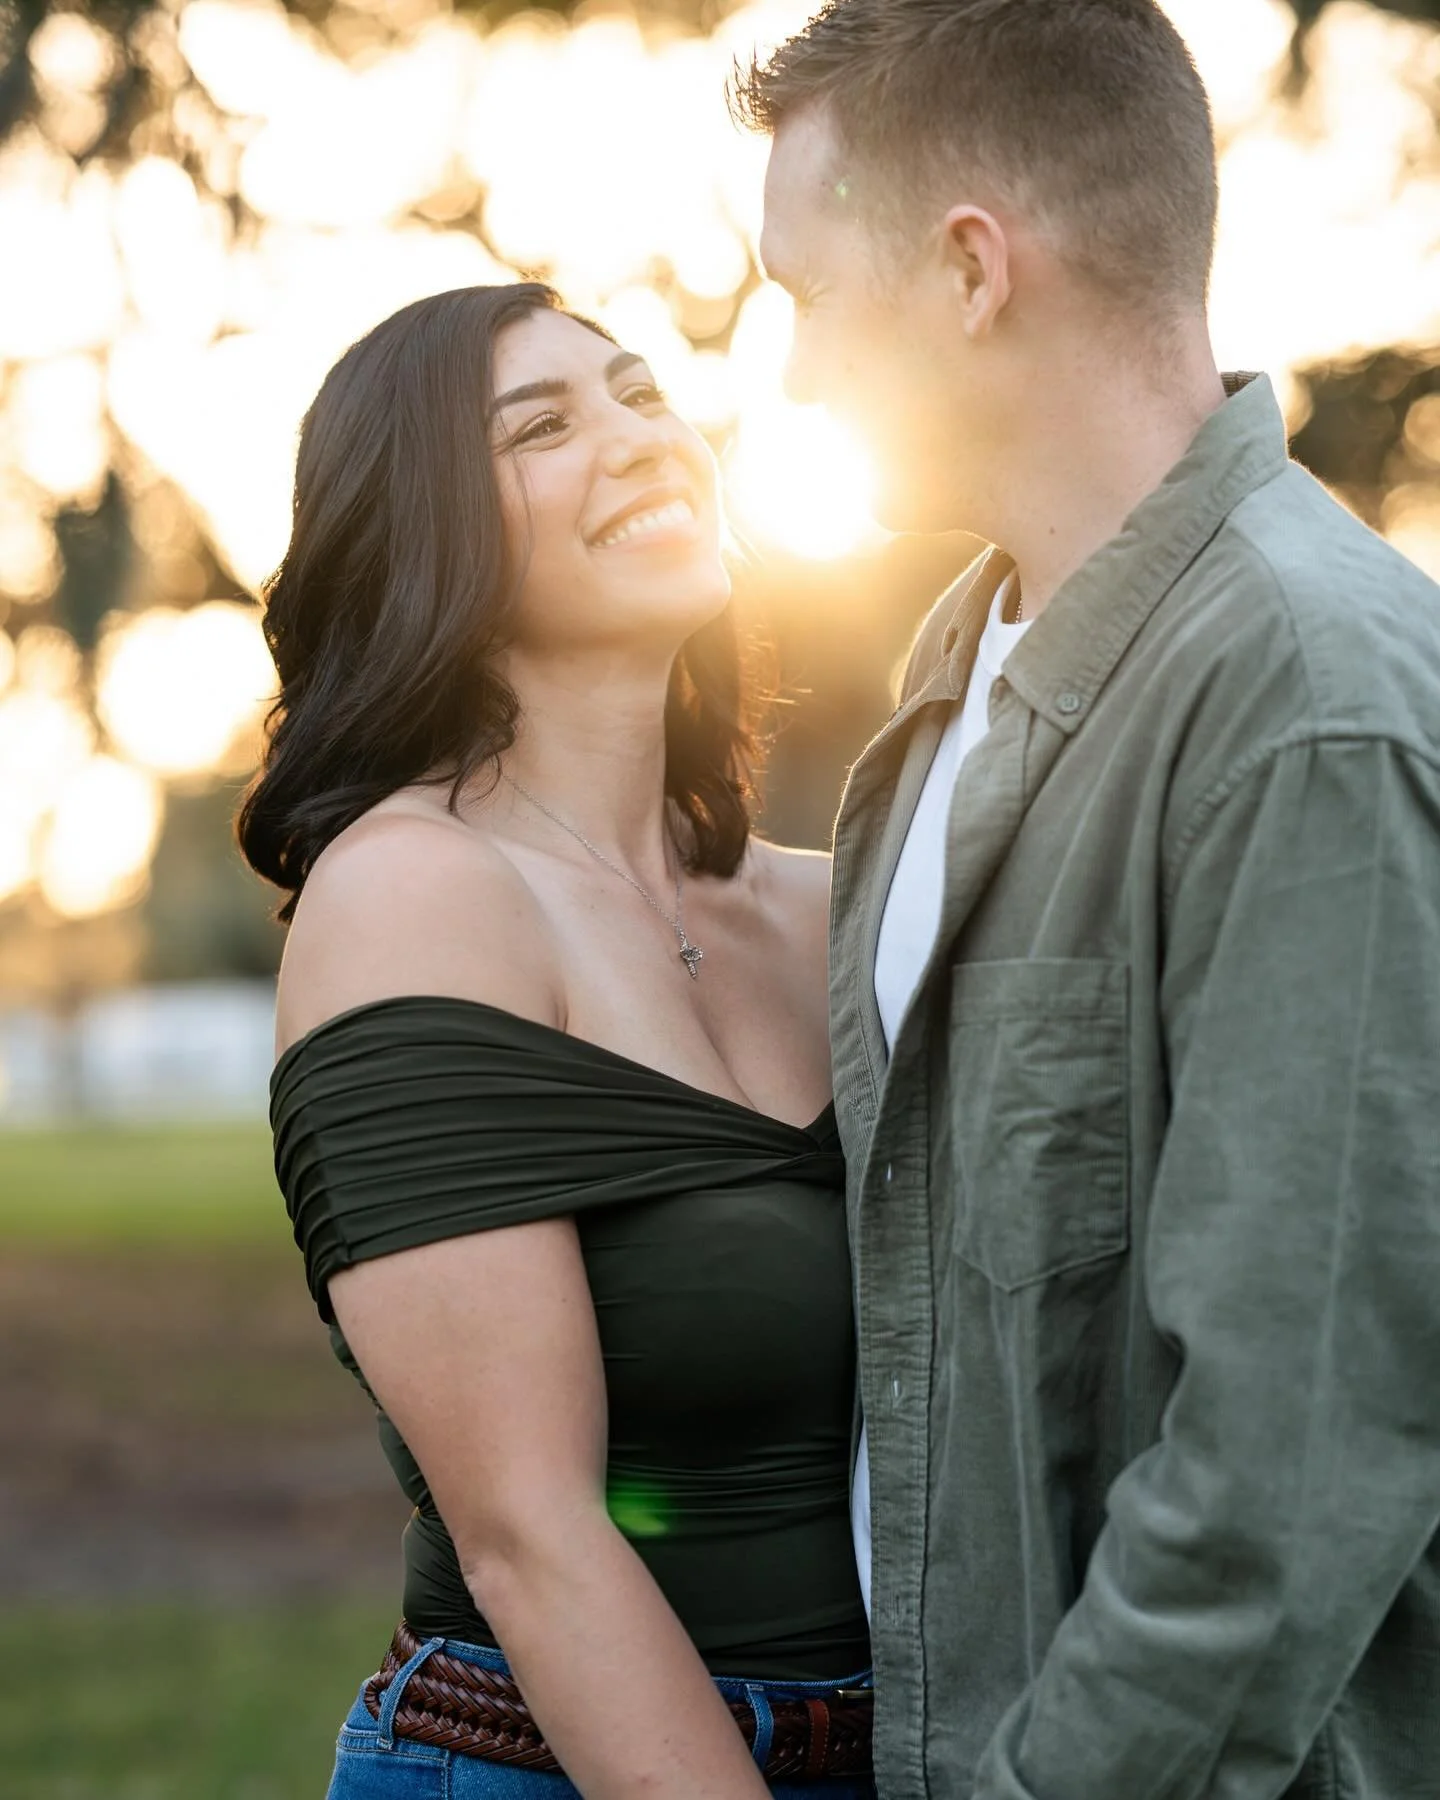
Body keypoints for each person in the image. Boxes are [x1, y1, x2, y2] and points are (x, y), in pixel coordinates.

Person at [734, 2, 1440, 1796]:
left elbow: (1290, 1460)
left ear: (972, 271)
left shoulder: (1308, 706)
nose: (794, 374)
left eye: (807, 295)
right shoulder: (955, 667)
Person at [237, 283, 874, 1799]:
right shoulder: (412, 894)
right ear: (429, 538)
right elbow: (532, 1536)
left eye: (644, 395)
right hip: (542, 1764)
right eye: (544, 426)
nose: (639, 439)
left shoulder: (842, 898)